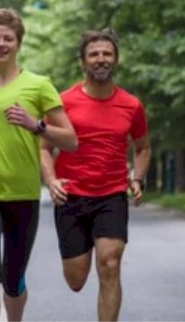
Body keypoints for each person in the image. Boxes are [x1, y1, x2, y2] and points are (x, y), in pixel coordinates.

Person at [0, 8, 78, 322]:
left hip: (23, 194)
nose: (1, 44)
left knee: (13, 279)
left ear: (18, 43)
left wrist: (34, 124)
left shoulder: (39, 86)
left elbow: (70, 140)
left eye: (7, 38)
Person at [40, 29, 151, 321]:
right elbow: (43, 148)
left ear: (115, 60)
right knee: (76, 280)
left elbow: (143, 148)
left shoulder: (131, 105)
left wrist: (137, 178)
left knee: (109, 264)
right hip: (71, 195)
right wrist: (51, 181)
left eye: (107, 54)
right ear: (83, 62)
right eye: (94, 54)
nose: (101, 59)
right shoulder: (62, 102)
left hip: (111, 195)